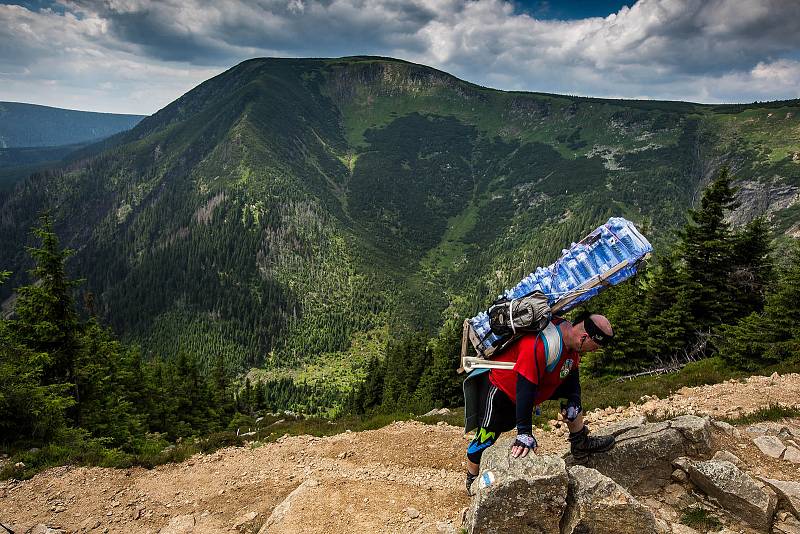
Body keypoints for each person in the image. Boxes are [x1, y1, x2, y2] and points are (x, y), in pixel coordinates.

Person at [465, 312, 615, 492]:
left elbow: (572, 374)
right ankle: (471, 479)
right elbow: (524, 388)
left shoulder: (571, 340)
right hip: (503, 390)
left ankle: (580, 442)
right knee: (486, 437)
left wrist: (573, 400)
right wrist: (524, 432)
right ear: (584, 337)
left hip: (539, 382)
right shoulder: (541, 344)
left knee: (572, 401)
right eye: (594, 346)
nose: (594, 351)